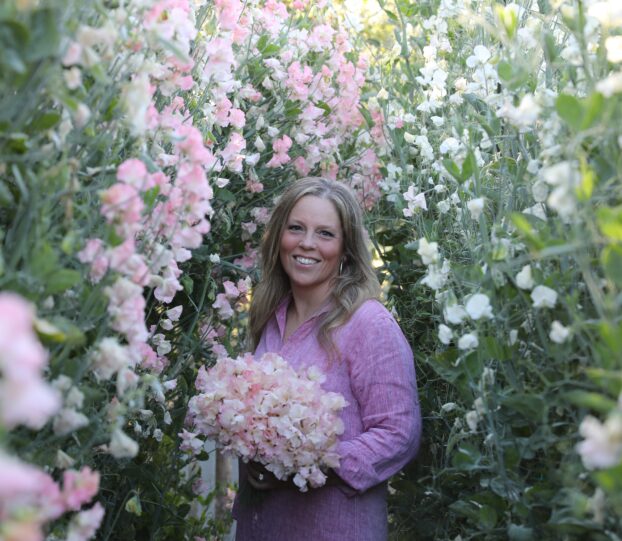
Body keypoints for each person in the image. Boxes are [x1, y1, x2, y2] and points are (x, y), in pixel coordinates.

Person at [232, 177, 421, 541]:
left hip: (332, 528)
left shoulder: (368, 324)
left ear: (346, 249)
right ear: (279, 237)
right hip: (264, 526)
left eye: (325, 234)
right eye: (296, 228)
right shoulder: (271, 317)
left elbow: (400, 434)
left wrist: (310, 462)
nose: (306, 243)